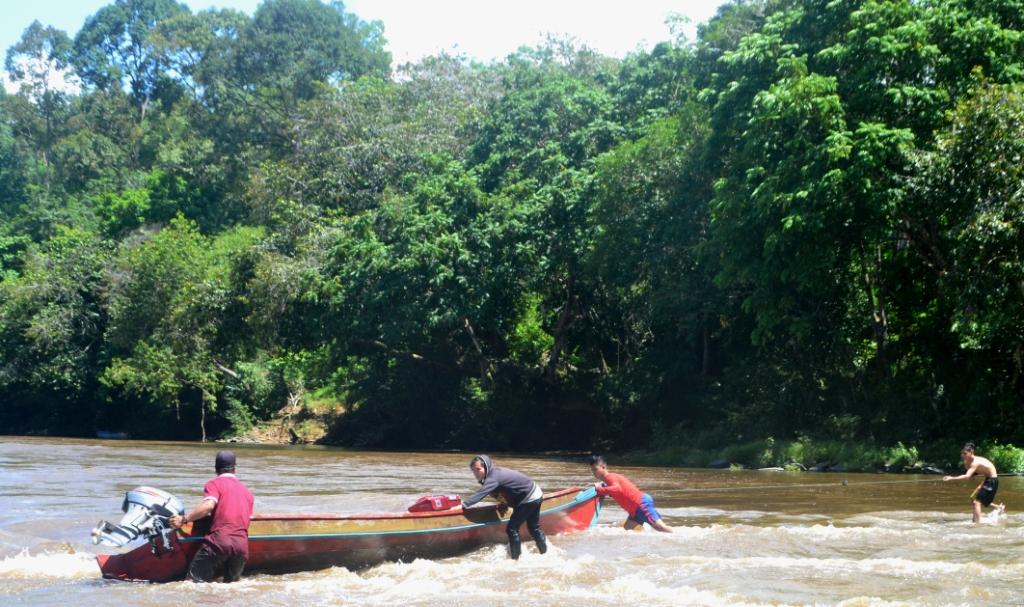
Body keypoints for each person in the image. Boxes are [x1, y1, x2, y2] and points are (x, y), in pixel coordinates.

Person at [169, 450, 255, 582]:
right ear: (234, 469)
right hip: (241, 547)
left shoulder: (214, 484)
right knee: (232, 590)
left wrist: (184, 519)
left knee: (192, 584)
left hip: (220, 542)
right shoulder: (247, 492)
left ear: (216, 469)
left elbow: (208, 505)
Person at [463, 455, 547, 560]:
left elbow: (480, 494)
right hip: (535, 493)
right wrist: (504, 504)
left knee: (512, 529)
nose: (475, 473)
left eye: (478, 470)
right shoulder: (494, 474)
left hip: (528, 498)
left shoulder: (493, 477)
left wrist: (463, 505)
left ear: (486, 467)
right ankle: (545, 554)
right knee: (534, 528)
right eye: (473, 471)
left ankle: (516, 560)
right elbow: (507, 489)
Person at [589, 455, 672, 533]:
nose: (594, 472)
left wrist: (599, 489)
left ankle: (681, 538)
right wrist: (602, 488)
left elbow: (616, 488)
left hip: (640, 504)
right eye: (592, 470)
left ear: (603, 467)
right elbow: (616, 491)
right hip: (634, 510)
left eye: (596, 469)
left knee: (660, 527)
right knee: (628, 528)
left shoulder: (610, 477)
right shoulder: (608, 481)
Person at [942, 442, 1005, 523]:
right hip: (987, 479)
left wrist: (951, 478)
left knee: (977, 502)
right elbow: (973, 475)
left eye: (965, 454)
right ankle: (997, 508)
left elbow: (967, 476)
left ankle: (977, 523)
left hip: (992, 481)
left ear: (971, 452)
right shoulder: (968, 462)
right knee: (974, 498)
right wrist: (980, 485)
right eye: (962, 453)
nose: (962, 456)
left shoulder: (975, 462)